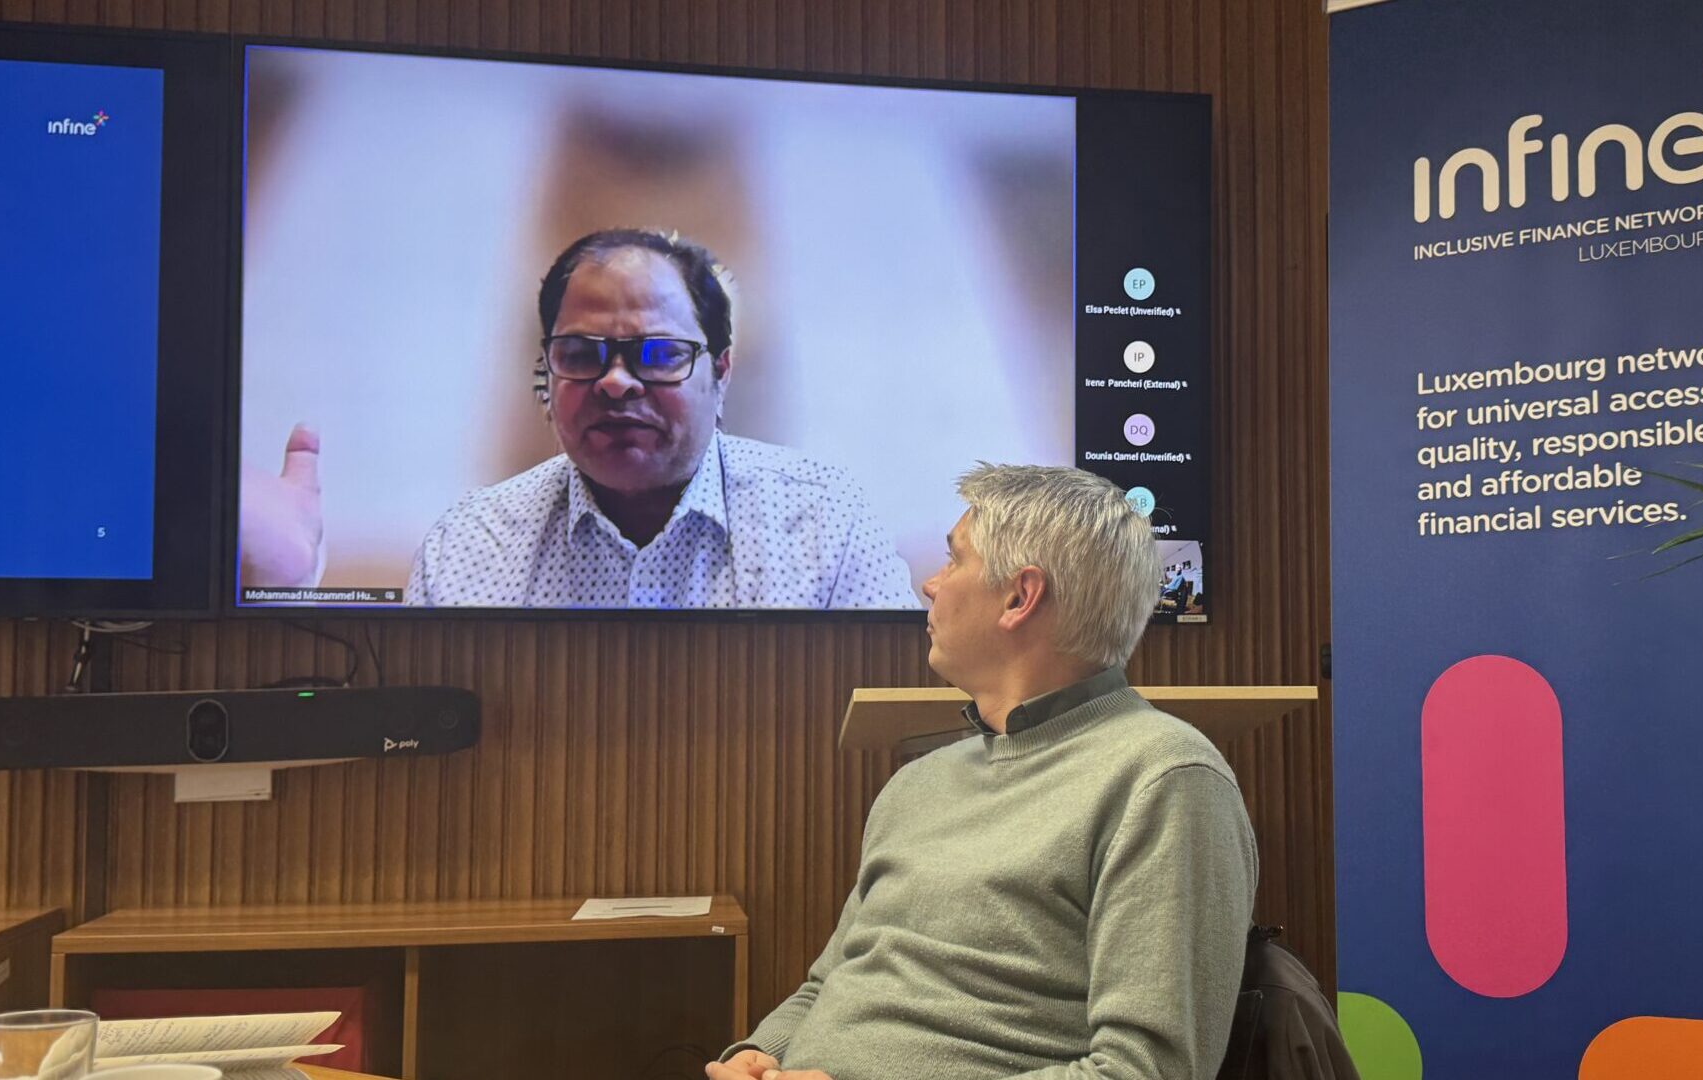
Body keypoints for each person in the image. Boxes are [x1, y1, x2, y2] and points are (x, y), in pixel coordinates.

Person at [708, 464, 1258, 1080]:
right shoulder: (917, 783)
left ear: (1020, 597)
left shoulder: (1166, 779)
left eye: (953, 559)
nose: (929, 585)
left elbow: (1146, 1069)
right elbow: (827, 985)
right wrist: (759, 1055)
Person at [241, 228, 918, 609]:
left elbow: (907, 724)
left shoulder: (825, 524)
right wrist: (278, 592)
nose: (616, 381)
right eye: (581, 354)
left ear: (721, 374)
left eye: (659, 354)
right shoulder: (471, 545)